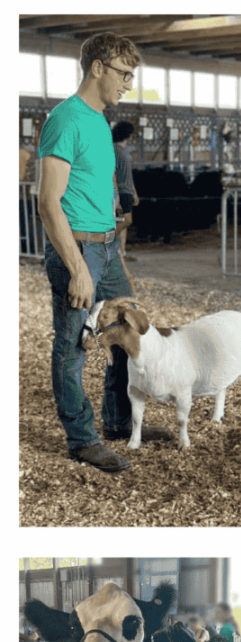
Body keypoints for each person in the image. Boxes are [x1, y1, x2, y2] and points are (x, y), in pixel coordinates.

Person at [37, 31, 176, 474]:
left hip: (107, 246)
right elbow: (48, 202)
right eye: (124, 74)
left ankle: (117, 420)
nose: (128, 83)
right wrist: (77, 268)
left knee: (130, 330)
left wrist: (114, 232)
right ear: (97, 67)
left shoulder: (98, 119)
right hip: (77, 248)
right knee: (72, 346)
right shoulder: (66, 119)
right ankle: (81, 439)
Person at [111, 120, 138, 259]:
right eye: (132, 133)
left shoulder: (125, 150)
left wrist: (134, 192)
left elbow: (128, 172)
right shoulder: (114, 149)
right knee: (126, 220)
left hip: (127, 189)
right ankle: (104, 240)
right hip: (121, 189)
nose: (133, 136)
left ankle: (121, 251)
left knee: (124, 222)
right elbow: (113, 171)